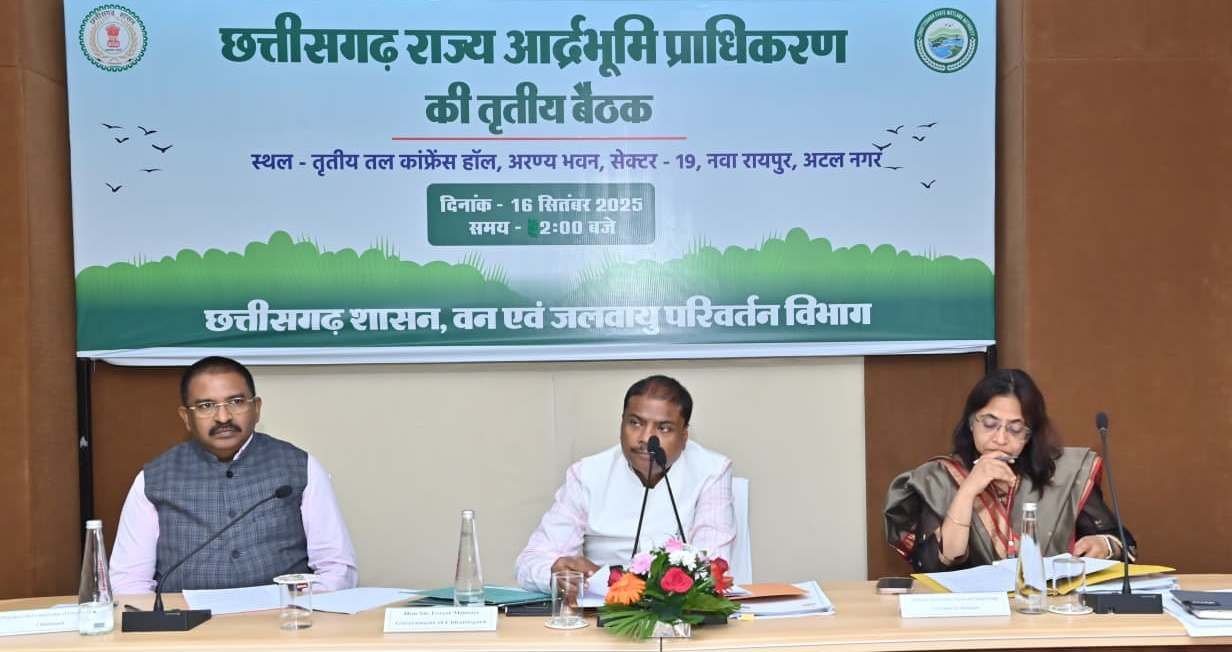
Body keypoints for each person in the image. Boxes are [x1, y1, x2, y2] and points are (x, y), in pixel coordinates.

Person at [109, 356, 358, 593]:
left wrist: (302, 606)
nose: (223, 417)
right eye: (206, 406)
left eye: (236, 402)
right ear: (186, 417)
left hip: (284, 616)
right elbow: (129, 580)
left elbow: (336, 567)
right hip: (185, 619)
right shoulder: (153, 479)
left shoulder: (301, 467)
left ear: (256, 408)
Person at [884, 368, 1136, 572]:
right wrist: (968, 490)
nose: (1000, 439)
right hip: (971, 612)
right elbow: (934, 565)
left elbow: (1124, 544)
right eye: (990, 424)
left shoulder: (1064, 473)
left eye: (1015, 429)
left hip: (1048, 608)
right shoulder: (938, 479)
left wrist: (1104, 545)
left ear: (1030, 434)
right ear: (971, 422)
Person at [515, 375, 735, 593]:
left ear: (684, 436)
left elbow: (711, 570)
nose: (646, 438)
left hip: (680, 611)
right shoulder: (587, 474)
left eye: (664, 428)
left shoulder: (711, 471)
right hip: (602, 611)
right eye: (635, 423)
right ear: (621, 423)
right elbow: (530, 562)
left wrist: (610, 580)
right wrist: (556, 573)